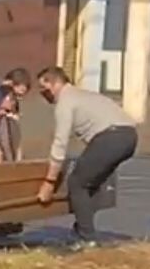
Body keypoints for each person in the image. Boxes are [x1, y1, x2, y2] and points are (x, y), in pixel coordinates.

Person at [36, 66, 138, 247]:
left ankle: (86, 238)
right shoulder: (82, 95)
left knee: (77, 182)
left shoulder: (65, 102)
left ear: (55, 83)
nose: (44, 95)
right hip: (129, 136)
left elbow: (60, 142)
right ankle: (82, 227)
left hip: (111, 137)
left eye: (45, 89)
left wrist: (49, 182)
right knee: (92, 182)